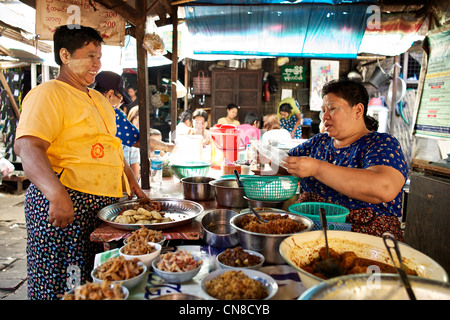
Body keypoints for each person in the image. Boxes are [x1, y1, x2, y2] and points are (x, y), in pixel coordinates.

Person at [13, 25, 146, 300]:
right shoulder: (47, 94)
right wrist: (56, 194)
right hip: (65, 203)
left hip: (102, 206)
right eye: (90, 56)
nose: (97, 64)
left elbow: (113, 148)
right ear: (64, 54)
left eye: (99, 56)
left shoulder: (98, 98)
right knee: (62, 284)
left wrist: (132, 185)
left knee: (97, 281)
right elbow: (28, 147)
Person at [284, 79, 408, 241]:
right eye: (323, 111)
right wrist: (271, 157)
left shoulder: (381, 143)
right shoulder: (318, 142)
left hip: (367, 244)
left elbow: (384, 187)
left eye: (332, 109)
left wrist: (317, 169)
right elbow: (287, 163)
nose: (325, 117)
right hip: (309, 236)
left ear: (358, 110)